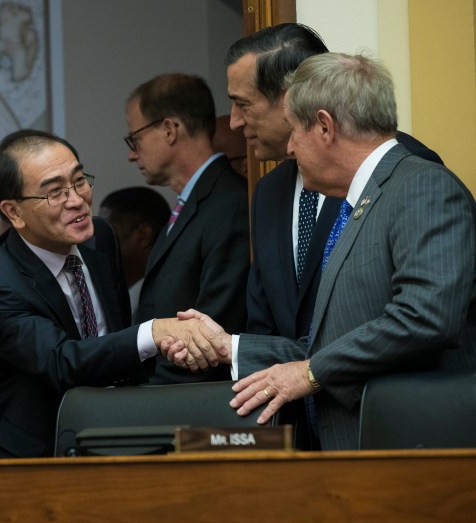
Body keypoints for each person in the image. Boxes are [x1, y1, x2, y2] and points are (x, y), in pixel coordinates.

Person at [170, 53, 476, 450]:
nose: (291, 149)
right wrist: (231, 346)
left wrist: (311, 372)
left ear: (325, 126)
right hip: (360, 448)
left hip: (412, 452)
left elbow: (425, 317)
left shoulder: (422, 186)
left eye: (296, 131)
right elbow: (337, 337)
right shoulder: (362, 199)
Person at [224, 23, 443, 444]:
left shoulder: (408, 174)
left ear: (295, 98)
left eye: (243, 104)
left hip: (387, 432)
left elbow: (417, 318)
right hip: (299, 432)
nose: (234, 122)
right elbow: (272, 321)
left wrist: (309, 372)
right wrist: (231, 349)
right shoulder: (269, 191)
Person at [0, 129, 226, 458]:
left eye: (78, 181)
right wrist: (153, 333)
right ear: (14, 212)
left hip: (116, 436)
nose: (77, 200)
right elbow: (63, 361)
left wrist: (161, 348)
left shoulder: (100, 236)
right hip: (40, 457)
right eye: (54, 192)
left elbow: (110, 337)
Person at [125, 73, 250, 384]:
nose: (132, 153)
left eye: (135, 139)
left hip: (194, 408)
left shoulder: (230, 205)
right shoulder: (191, 203)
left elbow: (213, 332)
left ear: (169, 130)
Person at [98, 187, 170, 318]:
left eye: (108, 230)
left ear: (143, 235)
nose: (98, 240)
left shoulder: (168, 304)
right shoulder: (109, 298)